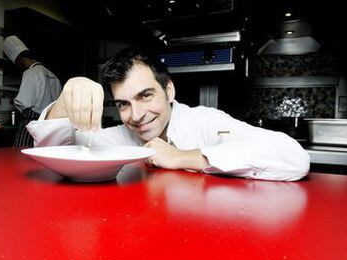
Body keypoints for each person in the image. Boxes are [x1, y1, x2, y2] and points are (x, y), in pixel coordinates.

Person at [27, 47, 310, 181]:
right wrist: (67, 97)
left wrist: (185, 157)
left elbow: (294, 157)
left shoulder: (205, 121)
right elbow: (54, 151)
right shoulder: (121, 137)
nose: (136, 115)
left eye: (146, 95)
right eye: (123, 104)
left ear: (169, 91)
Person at [3, 35, 62, 147]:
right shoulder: (54, 76)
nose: (18, 67)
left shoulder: (30, 73)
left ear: (20, 60)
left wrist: (13, 101)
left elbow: (23, 103)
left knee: (22, 158)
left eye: (17, 64)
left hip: (32, 126)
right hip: (50, 128)